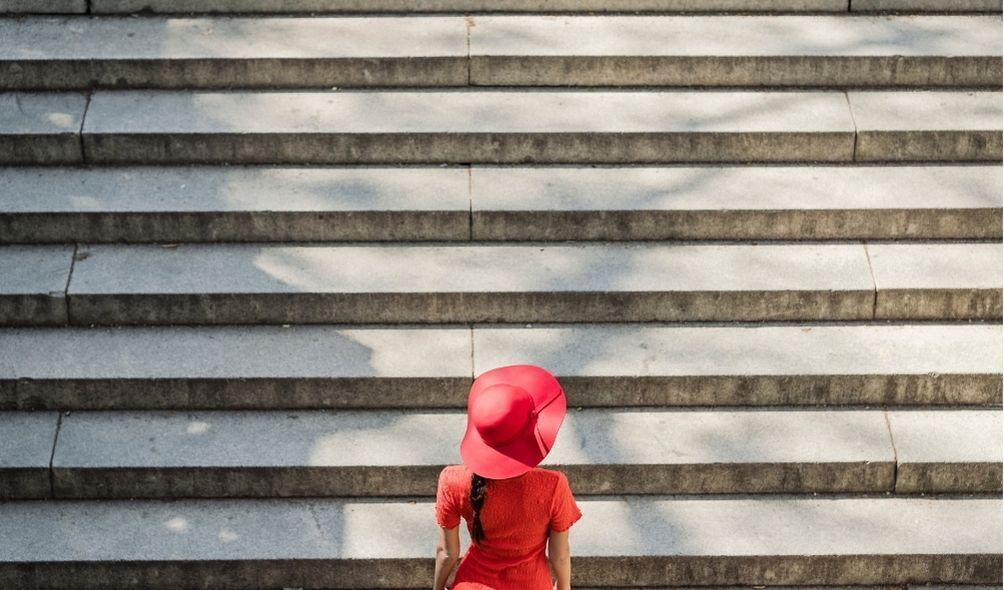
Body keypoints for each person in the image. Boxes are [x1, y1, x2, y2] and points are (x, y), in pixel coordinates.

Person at [433, 364, 582, 590]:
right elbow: (559, 555)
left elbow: (447, 553)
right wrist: (564, 587)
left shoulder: (452, 480)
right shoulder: (553, 485)